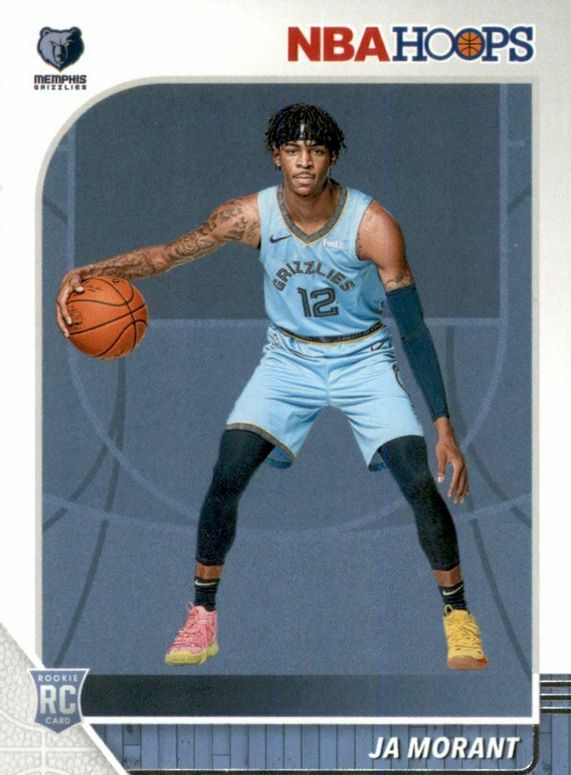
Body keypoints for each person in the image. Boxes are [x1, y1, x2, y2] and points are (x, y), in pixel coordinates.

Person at [56, 103, 488, 671]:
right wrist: (94, 271)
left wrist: (444, 428)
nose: (304, 161)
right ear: (276, 156)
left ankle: (458, 617)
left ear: (332, 157)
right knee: (228, 469)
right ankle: (202, 617)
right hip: (289, 359)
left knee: (416, 476)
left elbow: (412, 328)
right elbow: (165, 257)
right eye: (292, 150)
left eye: (316, 150)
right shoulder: (247, 216)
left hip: (362, 357)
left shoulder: (372, 225)